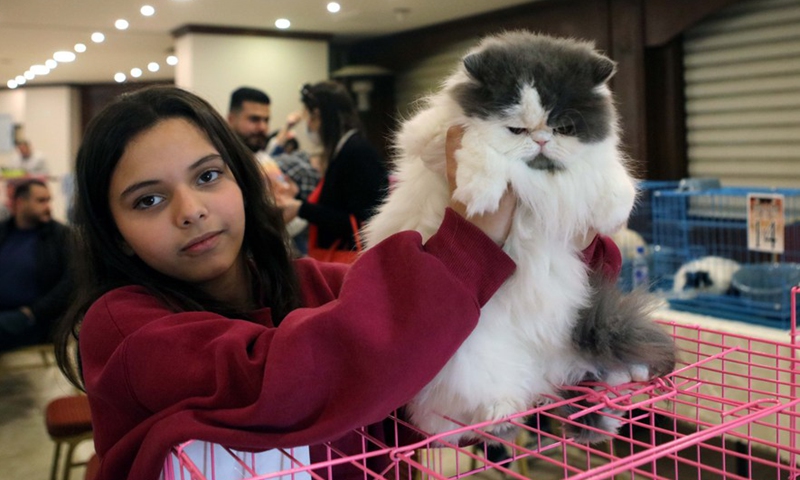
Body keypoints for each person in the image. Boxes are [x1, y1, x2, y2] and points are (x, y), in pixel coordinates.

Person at [52, 85, 618, 480]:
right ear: (116, 232)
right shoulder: (124, 329)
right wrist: (469, 239)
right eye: (148, 199)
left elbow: (442, 332)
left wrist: (560, 234)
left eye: (207, 176)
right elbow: (306, 372)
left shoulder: (304, 285)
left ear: (240, 180)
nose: (191, 210)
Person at [277, 81, 388, 261]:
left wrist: (301, 208)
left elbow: (361, 223)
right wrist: (298, 200)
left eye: (310, 119)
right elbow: (336, 207)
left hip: (349, 260)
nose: (310, 126)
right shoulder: (345, 150)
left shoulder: (355, 152)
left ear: (319, 115)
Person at [0, 179, 72, 352]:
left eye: (48, 200)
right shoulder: (3, 232)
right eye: (41, 201)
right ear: (20, 202)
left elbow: (71, 283)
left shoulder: (61, 236)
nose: (48, 206)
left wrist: (31, 313)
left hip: (36, 321)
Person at [227, 86, 272, 153]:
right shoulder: (216, 159)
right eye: (254, 119)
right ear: (231, 120)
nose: (263, 127)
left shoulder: (262, 159)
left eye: (266, 120)